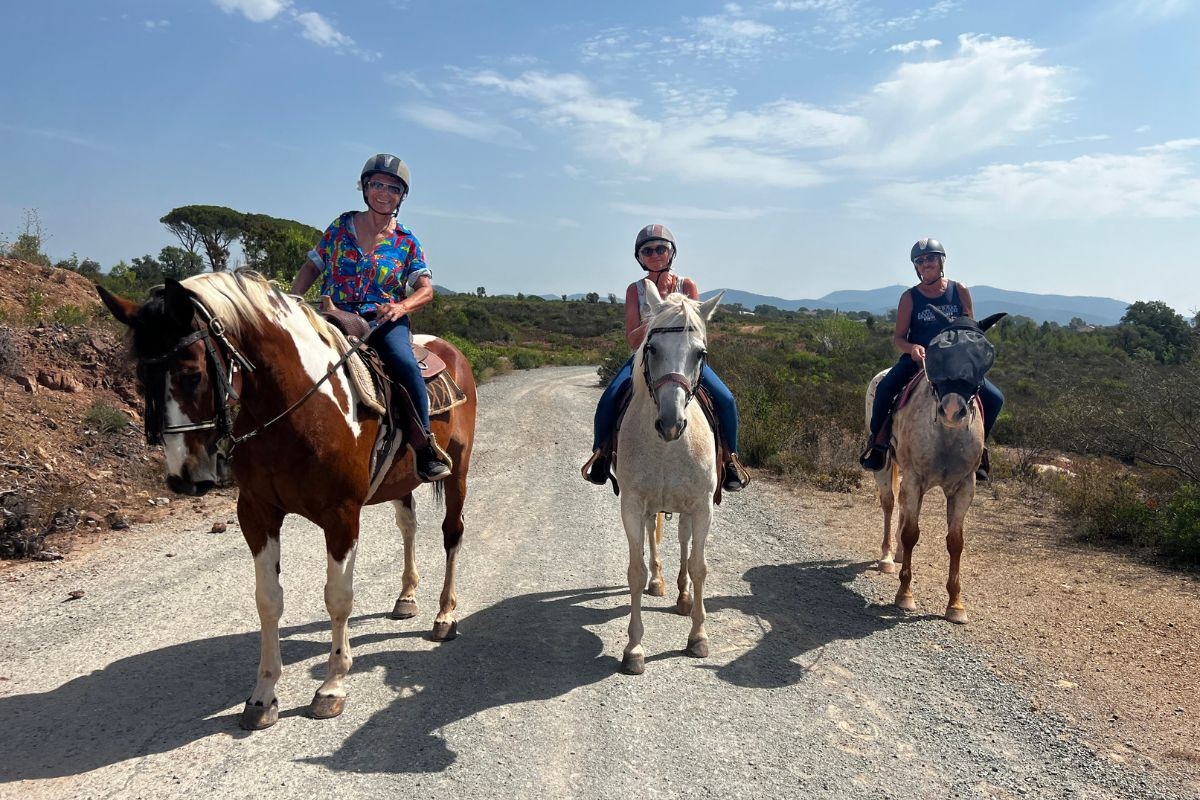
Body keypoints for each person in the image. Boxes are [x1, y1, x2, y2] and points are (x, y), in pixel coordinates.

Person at [291, 153, 451, 482]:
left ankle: (423, 445)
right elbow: (311, 267)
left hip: (383, 320)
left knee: (404, 364)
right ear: (364, 188)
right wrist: (293, 299)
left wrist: (401, 307)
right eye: (377, 184)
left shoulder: (406, 241)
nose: (384, 193)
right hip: (333, 314)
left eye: (393, 188)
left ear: (401, 197)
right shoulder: (339, 227)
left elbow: (426, 289)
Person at [582, 224, 749, 491]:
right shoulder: (634, 290)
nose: (655, 254)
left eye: (661, 248)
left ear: (671, 253)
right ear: (640, 257)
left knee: (726, 399)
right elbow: (633, 339)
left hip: (684, 359)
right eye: (648, 250)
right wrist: (657, 322)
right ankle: (601, 456)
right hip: (646, 358)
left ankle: (730, 460)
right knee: (610, 397)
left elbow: (698, 328)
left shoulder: (687, 285)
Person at [859, 237, 1004, 480]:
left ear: (941, 261)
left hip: (953, 362)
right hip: (919, 360)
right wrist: (913, 347)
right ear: (916, 267)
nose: (926, 263)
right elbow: (898, 338)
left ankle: (979, 451)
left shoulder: (959, 290)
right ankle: (879, 444)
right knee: (884, 389)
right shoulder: (909, 297)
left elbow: (969, 330)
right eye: (921, 260)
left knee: (995, 398)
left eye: (931, 258)